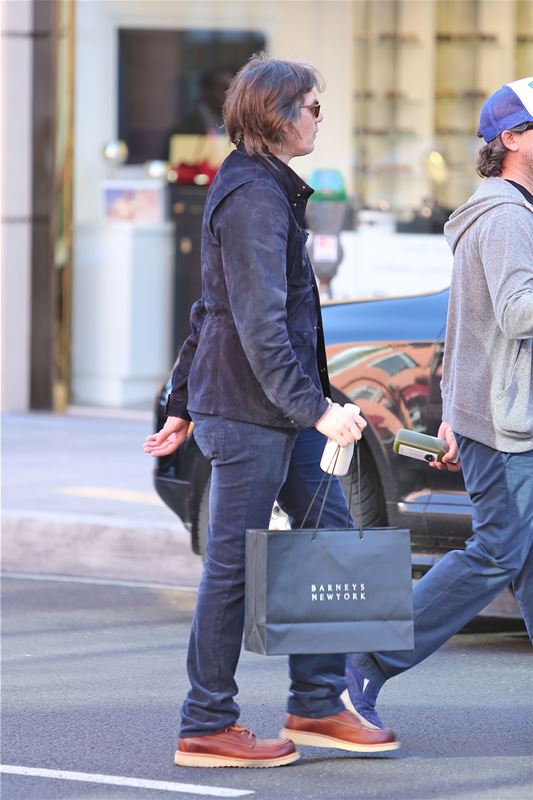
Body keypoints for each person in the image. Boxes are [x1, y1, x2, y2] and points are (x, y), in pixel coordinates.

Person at [145, 54, 399, 768]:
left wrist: (181, 400)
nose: (320, 117)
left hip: (266, 407)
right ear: (277, 115)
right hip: (253, 411)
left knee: (327, 536)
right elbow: (255, 325)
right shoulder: (254, 196)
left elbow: (211, 308)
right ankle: (205, 723)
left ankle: (315, 703)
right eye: (313, 106)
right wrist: (318, 409)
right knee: (233, 565)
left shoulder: (264, 187)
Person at [344, 76, 533, 730]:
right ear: (512, 139)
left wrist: (453, 409)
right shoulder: (506, 218)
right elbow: (515, 313)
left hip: (499, 417)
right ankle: (365, 661)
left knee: (521, 555)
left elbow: (462, 326)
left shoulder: (506, 212)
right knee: (497, 552)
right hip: (508, 428)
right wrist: (463, 412)